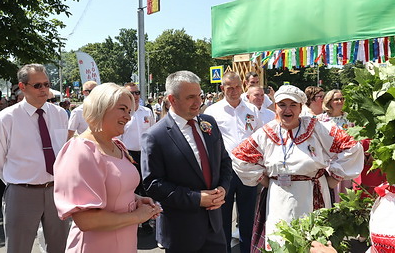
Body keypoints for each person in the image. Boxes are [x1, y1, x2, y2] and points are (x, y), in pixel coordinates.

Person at [231, 85, 364, 251]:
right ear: (275, 107)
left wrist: (334, 177)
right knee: (281, 240)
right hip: (279, 197)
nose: (287, 110)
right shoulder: (267, 131)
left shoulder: (317, 127)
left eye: (293, 105)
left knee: (313, 241)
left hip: (312, 193)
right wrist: (263, 179)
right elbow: (240, 156)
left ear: (301, 107)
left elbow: (352, 147)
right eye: (282, 105)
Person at [53, 82, 162, 253]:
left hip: (124, 243)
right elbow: (86, 220)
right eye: (122, 109)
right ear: (101, 107)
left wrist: (136, 199)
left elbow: (113, 188)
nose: (128, 117)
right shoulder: (80, 150)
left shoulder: (117, 145)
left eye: (129, 111)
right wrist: (137, 216)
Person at [141, 70, 232, 253]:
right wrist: (197, 199)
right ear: (172, 100)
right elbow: (153, 184)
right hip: (181, 232)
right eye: (191, 97)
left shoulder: (209, 123)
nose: (199, 102)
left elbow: (224, 162)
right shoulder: (155, 136)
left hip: (215, 228)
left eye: (199, 95)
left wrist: (223, 188)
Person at [0, 63, 70, 253]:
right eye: (38, 85)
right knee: (19, 248)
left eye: (46, 84)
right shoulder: (6, 118)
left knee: (59, 247)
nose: (44, 89)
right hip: (22, 193)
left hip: (56, 191)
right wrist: (19, 181)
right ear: (22, 87)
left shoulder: (60, 114)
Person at [204, 71, 264, 253]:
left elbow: (260, 137)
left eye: (238, 86)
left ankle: (247, 250)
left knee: (248, 217)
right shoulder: (212, 112)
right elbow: (207, 142)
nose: (234, 91)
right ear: (222, 88)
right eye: (230, 87)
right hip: (224, 171)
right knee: (223, 217)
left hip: (248, 170)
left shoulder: (252, 110)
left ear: (242, 86)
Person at [120, 82, 155, 234]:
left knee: (146, 187)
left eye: (137, 92)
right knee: (130, 189)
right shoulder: (122, 114)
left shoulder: (146, 111)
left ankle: (146, 222)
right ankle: (132, 221)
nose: (135, 96)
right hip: (128, 155)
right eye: (131, 93)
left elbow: (153, 132)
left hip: (145, 154)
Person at [317, 89, 354, 203]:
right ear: (329, 102)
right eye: (337, 99)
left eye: (342, 98)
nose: (340, 101)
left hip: (344, 160)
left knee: (345, 193)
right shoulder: (320, 119)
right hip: (327, 161)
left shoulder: (349, 118)